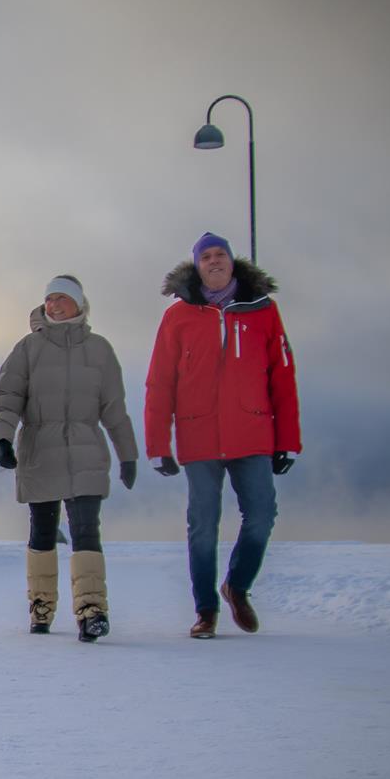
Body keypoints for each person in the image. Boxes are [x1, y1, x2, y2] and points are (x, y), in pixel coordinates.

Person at [144, 233, 301, 639]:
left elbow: (283, 378)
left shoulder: (264, 311)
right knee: (203, 523)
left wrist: (288, 441)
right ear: (197, 266)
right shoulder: (178, 317)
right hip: (199, 436)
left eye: (221, 255)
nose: (214, 261)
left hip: (253, 431)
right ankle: (206, 610)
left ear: (232, 262)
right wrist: (158, 445)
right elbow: (160, 383)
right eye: (206, 257)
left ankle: (237, 585)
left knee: (262, 514)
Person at [0, 275, 138, 641]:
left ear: (79, 304)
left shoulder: (100, 350)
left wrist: (128, 454)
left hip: (86, 448)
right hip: (40, 447)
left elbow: (114, 408)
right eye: (49, 299)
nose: (54, 305)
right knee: (43, 531)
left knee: (86, 529)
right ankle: (41, 606)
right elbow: (8, 397)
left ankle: (92, 611)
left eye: (62, 299)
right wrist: (1, 439)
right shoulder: (28, 348)